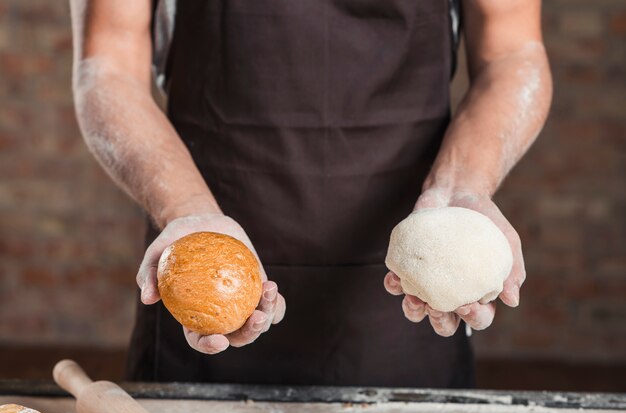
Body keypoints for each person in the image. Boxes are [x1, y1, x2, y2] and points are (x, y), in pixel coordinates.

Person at [69, 0, 552, 387]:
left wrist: (460, 188)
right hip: (208, 255)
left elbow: (513, 55)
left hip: (405, 286)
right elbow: (107, 67)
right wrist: (188, 211)